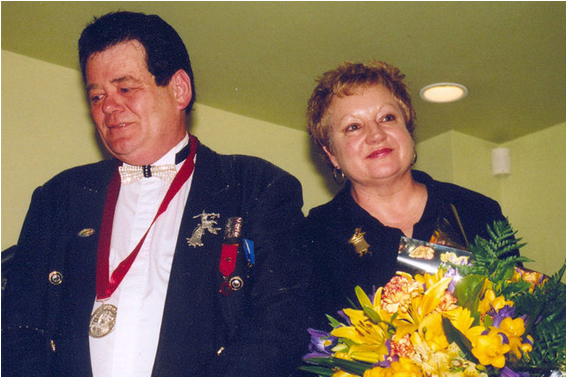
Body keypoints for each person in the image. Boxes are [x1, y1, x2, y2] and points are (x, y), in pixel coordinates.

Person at [1, 11, 311, 376]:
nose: (108, 107)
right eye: (97, 95)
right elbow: (17, 331)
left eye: (125, 88)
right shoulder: (59, 196)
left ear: (179, 89)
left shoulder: (256, 186)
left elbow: (279, 328)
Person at [303, 60, 514, 327]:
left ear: (408, 130)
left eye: (387, 118)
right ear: (331, 153)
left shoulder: (477, 211)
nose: (376, 134)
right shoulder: (315, 236)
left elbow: (517, 317)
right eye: (353, 127)